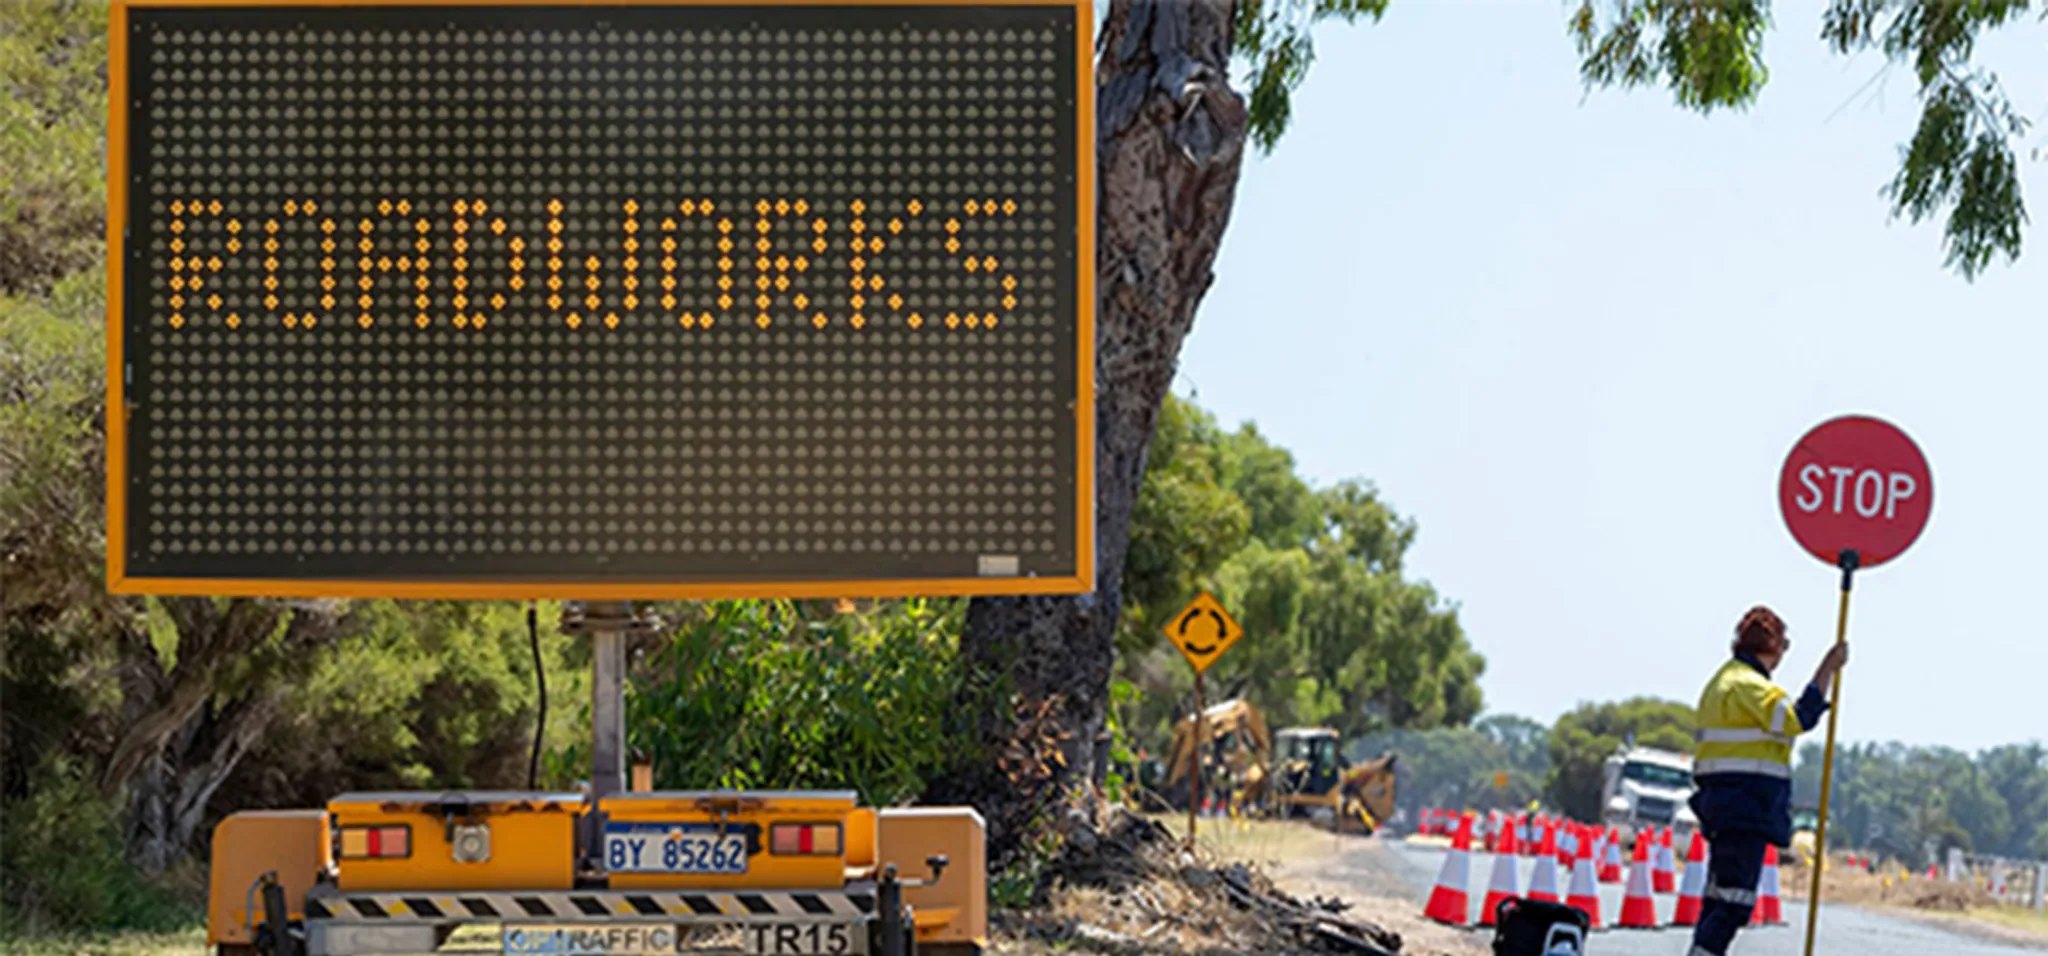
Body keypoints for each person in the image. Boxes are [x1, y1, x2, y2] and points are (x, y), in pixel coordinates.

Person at [1687, 605, 1848, 956]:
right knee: (1734, 903)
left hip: (1720, 804)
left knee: (1718, 899)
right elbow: (1798, 717)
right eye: (1784, 645)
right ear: (1771, 646)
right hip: (1746, 807)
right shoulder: (1750, 687)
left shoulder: (1719, 684)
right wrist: (1828, 668)